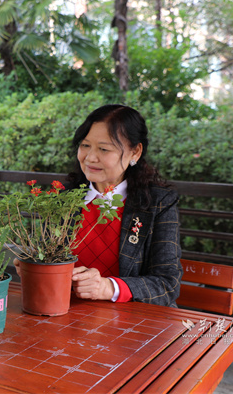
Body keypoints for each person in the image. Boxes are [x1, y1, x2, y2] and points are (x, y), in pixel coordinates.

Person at [66, 104, 182, 306]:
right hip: (67, 313)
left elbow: (167, 284)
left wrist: (107, 288)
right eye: (85, 145)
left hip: (133, 318)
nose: (90, 157)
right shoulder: (64, 199)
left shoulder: (157, 203)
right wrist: (32, 265)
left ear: (135, 152)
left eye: (104, 149)